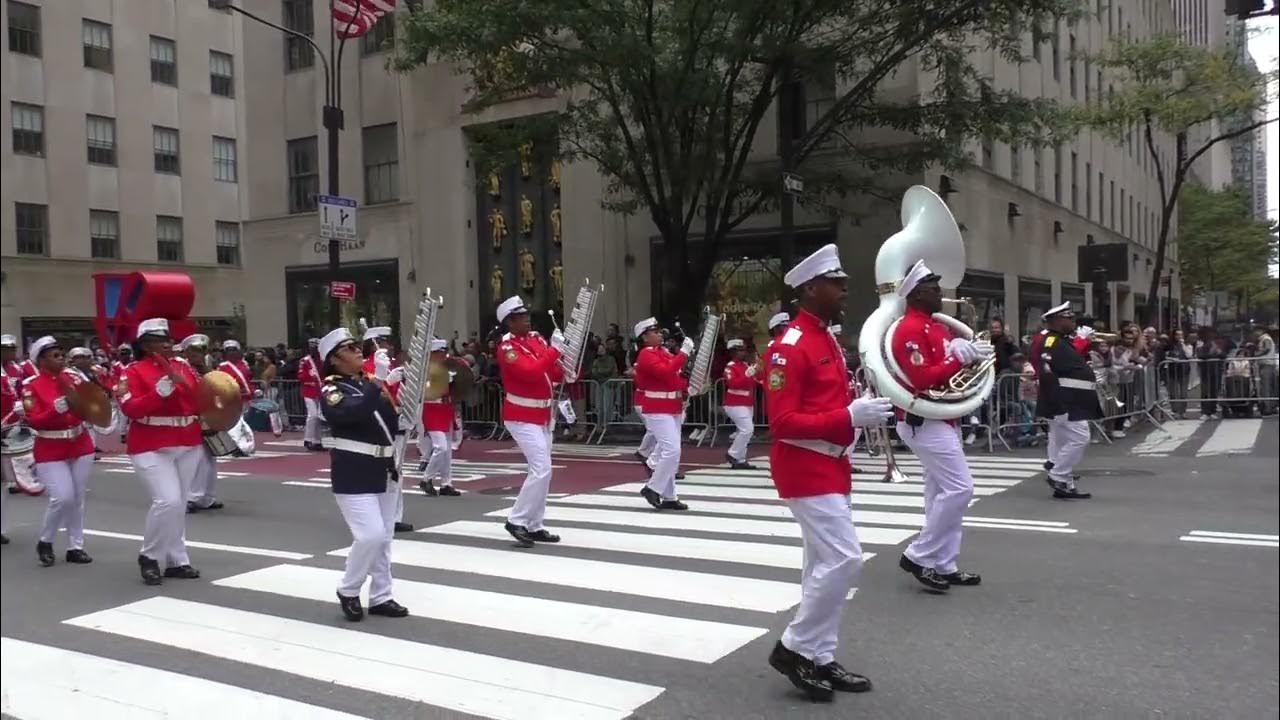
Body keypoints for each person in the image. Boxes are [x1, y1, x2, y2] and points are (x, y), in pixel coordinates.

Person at [763, 243, 894, 702]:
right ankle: (794, 648)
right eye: (835, 284)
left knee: (822, 565)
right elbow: (782, 423)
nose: (844, 290)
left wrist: (858, 409)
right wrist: (848, 417)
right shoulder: (789, 347)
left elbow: (828, 401)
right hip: (804, 465)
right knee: (844, 559)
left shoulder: (825, 337)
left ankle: (819, 655)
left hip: (831, 462)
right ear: (810, 289)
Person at [890, 260, 991, 593]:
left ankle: (944, 564)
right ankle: (919, 555)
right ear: (917, 294)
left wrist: (968, 355)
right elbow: (922, 378)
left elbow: (948, 374)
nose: (941, 294)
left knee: (940, 495)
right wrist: (957, 358)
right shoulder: (909, 329)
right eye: (934, 290)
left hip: (944, 417)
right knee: (961, 489)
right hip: (924, 420)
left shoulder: (936, 327)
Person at [317, 327, 410, 622]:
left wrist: (403, 404)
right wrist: (379, 382)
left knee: (384, 539)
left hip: (383, 469)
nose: (359, 351)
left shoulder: (368, 383)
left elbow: (389, 422)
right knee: (370, 535)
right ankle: (349, 588)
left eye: (357, 346)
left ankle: (382, 595)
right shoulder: (332, 389)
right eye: (350, 348)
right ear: (334, 360)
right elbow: (350, 413)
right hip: (353, 471)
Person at [119, 318, 205, 585]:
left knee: (179, 504)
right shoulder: (133, 371)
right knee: (167, 501)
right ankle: (149, 555)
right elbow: (130, 409)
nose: (167, 344)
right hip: (151, 442)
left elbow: (199, 398)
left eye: (168, 339)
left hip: (187, 440)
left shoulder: (183, 366)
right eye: (159, 340)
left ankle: (176, 559)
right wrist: (158, 394)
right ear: (145, 345)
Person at [495, 295, 567, 547]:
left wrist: (566, 366)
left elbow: (550, 371)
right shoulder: (507, 348)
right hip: (521, 415)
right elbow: (531, 372)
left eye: (526, 315)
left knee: (544, 470)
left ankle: (535, 524)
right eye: (520, 317)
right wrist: (554, 351)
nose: (526, 319)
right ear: (509, 322)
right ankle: (517, 520)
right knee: (541, 468)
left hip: (543, 415)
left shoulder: (536, 339)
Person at [23, 337, 97, 567]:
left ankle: (76, 546)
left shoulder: (75, 378)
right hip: (50, 446)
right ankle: (45, 541)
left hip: (80, 442)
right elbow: (33, 421)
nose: (61, 358)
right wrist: (54, 411)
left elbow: (93, 405)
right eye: (55, 355)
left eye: (62, 354)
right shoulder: (31, 385)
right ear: (41, 361)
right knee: (62, 497)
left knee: (77, 498)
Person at [1035, 304, 1098, 500]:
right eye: (1069, 318)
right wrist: (1059, 404)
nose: (1073, 322)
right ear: (1057, 321)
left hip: (1069, 399)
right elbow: (1047, 373)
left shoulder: (1060, 341)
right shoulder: (1052, 341)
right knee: (1080, 438)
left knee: (1062, 442)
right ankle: (1058, 475)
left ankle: (1064, 482)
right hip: (1064, 400)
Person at [633, 316, 693, 510]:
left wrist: (688, 385)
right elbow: (666, 371)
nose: (660, 335)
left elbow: (674, 376)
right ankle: (652, 488)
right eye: (655, 332)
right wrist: (683, 354)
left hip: (672, 406)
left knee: (672, 451)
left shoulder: (663, 352)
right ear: (645, 337)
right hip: (657, 407)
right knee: (672, 450)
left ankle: (669, 496)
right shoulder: (646, 354)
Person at [361, 326, 411, 532]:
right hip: (378, 423)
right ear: (374, 344)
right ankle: (381, 515)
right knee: (382, 470)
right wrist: (387, 381)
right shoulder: (365, 366)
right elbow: (371, 393)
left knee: (396, 470)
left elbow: (396, 394)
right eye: (384, 342)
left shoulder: (388, 364)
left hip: (394, 419)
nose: (388, 346)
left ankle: (394, 516)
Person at [177, 334, 225, 514]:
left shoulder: (207, 370)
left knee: (210, 457)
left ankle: (206, 497)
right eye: (194, 351)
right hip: (189, 417)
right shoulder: (182, 370)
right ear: (186, 353)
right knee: (194, 458)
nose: (198, 355)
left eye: (202, 352)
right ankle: (190, 497)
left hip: (207, 416)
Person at [418, 338, 462, 497]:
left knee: (447, 450)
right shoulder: (424, 370)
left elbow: (460, 388)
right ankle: (426, 479)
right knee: (441, 447)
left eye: (444, 352)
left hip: (446, 410)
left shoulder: (448, 368)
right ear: (431, 354)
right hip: (432, 410)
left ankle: (446, 483)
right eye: (439, 353)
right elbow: (425, 392)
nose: (443, 355)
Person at [722, 338, 760, 469]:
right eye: (740, 350)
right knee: (747, 430)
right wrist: (747, 375)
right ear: (733, 352)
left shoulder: (745, 365)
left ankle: (740, 460)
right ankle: (732, 454)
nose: (743, 353)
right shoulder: (730, 367)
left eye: (744, 350)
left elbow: (753, 382)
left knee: (742, 431)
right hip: (734, 404)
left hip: (746, 403)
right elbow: (733, 383)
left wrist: (756, 374)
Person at [299, 338, 325, 450]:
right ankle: (308, 439)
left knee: (319, 417)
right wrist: (311, 376)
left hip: (320, 391)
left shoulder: (322, 361)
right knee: (312, 415)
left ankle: (317, 441)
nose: (313, 349)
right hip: (308, 391)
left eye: (315, 347)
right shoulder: (305, 361)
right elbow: (301, 376)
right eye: (311, 347)